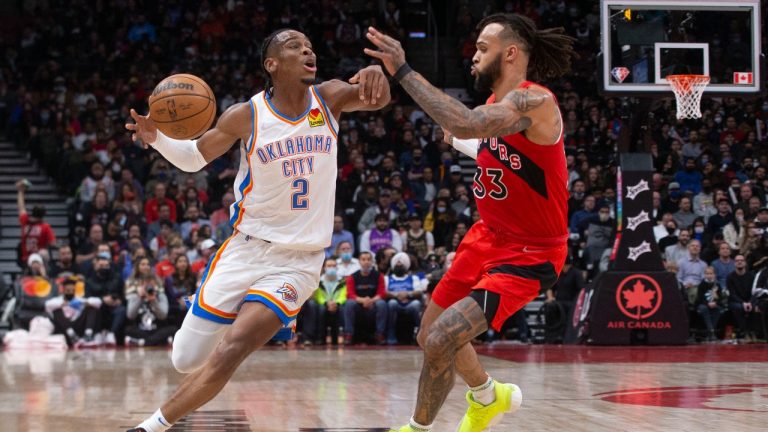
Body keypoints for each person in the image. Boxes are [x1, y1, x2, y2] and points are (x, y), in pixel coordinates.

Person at [124, 28, 389, 432]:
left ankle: (151, 426)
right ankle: (231, 311)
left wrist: (378, 75)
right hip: (246, 248)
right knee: (185, 359)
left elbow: (377, 98)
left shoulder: (330, 97)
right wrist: (156, 137)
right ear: (272, 64)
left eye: (310, 46)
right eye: (296, 47)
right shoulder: (246, 115)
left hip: (299, 262)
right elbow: (195, 158)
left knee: (233, 348)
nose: (308, 51)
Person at [364, 14, 573, 431]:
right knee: (428, 335)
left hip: (531, 253)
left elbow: (466, 122)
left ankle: (418, 429)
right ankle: (487, 396)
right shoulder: (496, 105)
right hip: (486, 238)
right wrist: (461, 139)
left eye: (482, 48)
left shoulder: (535, 102)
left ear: (509, 53)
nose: (473, 56)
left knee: (444, 336)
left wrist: (402, 70)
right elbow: (488, 147)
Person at [45, 275, 102, 348]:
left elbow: (98, 302)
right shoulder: (58, 300)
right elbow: (47, 305)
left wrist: (83, 303)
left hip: (77, 328)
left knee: (91, 308)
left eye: (72, 290)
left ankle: (88, 335)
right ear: (63, 290)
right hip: (64, 330)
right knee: (56, 310)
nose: (70, 292)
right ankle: (72, 336)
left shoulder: (79, 300)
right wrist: (66, 304)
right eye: (68, 290)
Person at [344, 251, 388, 344]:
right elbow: (350, 294)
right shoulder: (352, 277)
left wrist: (371, 301)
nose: (366, 262)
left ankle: (380, 334)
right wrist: (363, 300)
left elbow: (382, 293)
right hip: (358, 306)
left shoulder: (379, 276)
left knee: (382, 304)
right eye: (363, 259)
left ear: (372, 262)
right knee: (349, 303)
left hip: (373, 305)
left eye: (368, 259)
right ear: (359, 262)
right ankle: (349, 334)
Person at [303, 257, 347, 345]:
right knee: (321, 309)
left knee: (344, 308)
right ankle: (320, 337)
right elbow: (318, 296)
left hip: (337, 304)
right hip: (323, 304)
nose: (332, 268)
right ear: (324, 268)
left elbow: (343, 295)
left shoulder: (342, 281)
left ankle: (342, 336)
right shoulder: (319, 281)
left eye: (334, 266)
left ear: (337, 267)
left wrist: (336, 303)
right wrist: (327, 303)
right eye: (329, 266)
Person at [385, 252, 425, 345]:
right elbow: (384, 292)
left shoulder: (413, 278)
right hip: (395, 302)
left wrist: (407, 294)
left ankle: (419, 333)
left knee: (416, 304)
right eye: (397, 264)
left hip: (409, 303)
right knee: (392, 303)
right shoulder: (387, 278)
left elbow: (419, 292)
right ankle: (391, 334)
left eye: (401, 264)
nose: (399, 266)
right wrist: (397, 296)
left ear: (406, 266)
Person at [15, 179, 56, 268]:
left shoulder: (25, 221)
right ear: (43, 216)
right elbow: (53, 243)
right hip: (39, 259)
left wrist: (20, 191)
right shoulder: (45, 227)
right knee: (44, 253)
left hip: (26, 259)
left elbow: (21, 207)